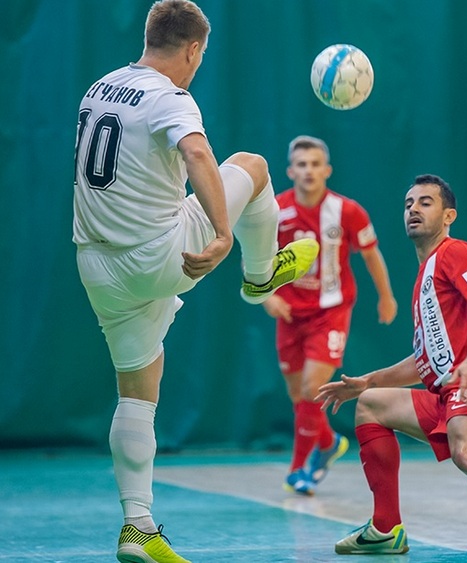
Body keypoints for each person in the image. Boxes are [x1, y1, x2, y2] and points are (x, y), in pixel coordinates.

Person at [72, 2, 318, 562]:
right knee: (253, 165)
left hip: (96, 265)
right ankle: (260, 275)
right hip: (160, 254)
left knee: (138, 389)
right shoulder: (170, 95)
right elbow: (198, 150)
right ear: (192, 50)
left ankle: (138, 527)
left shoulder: (100, 87)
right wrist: (225, 233)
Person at [316, 175, 467, 561]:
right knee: (373, 404)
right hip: (447, 391)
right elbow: (426, 362)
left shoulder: (456, 253)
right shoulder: (426, 275)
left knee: (466, 447)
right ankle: (386, 529)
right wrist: (367, 382)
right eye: (408, 204)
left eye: (425, 203)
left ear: (448, 216)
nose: (413, 210)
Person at [262, 135, 397, 496]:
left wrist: (386, 296)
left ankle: (299, 469)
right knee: (298, 395)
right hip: (289, 313)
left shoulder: (347, 211)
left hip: (331, 312)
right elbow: (256, 257)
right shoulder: (275, 210)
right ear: (290, 171)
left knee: (311, 388)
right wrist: (268, 297)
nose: (308, 170)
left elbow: (371, 254)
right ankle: (329, 442)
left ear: (327, 170)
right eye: (301, 164)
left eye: (315, 164)